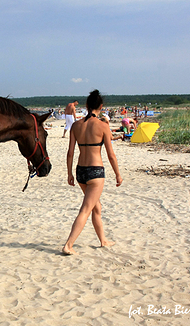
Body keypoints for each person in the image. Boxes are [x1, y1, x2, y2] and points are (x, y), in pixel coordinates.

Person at [63, 90, 122, 255]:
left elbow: (70, 153)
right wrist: (118, 174)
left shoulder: (76, 125)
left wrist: (69, 173)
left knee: (96, 207)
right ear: (101, 107)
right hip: (96, 172)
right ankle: (68, 245)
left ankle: (103, 240)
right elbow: (111, 155)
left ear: (87, 106)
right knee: (86, 209)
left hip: (80, 170)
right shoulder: (103, 126)